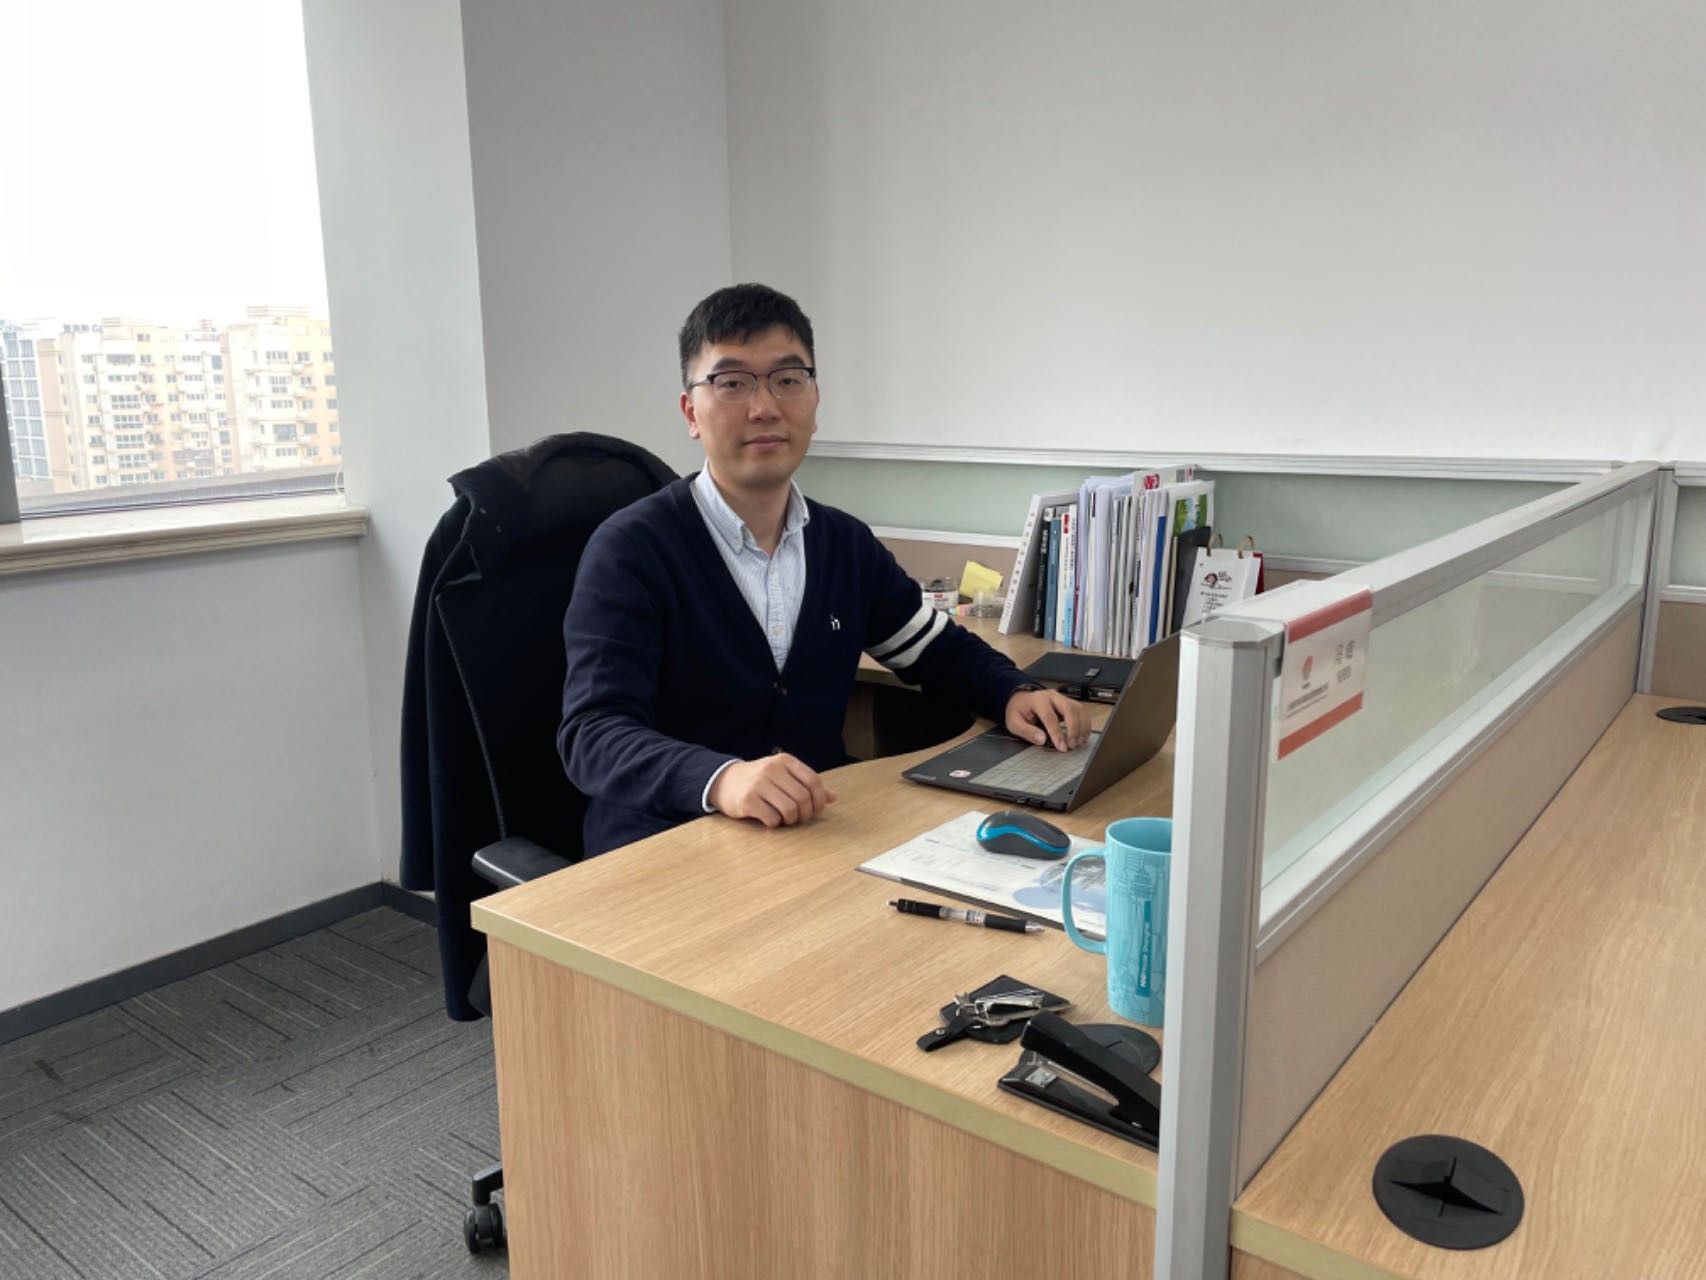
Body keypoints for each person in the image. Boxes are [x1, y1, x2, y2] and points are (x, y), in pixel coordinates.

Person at [558, 283, 1089, 857]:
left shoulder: (844, 544)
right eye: (732, 382)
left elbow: (937, 650)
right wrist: (722, 779)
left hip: (808, 837)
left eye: (788, 379)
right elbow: (593, 735)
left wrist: (1013, 692)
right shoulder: (632, 549)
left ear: (814, 400)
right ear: (691, 412)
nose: (765, 407)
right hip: (665, 849)